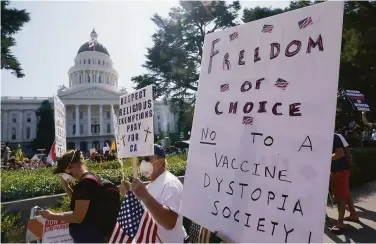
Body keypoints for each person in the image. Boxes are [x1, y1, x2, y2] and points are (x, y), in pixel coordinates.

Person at [40, 150, 114, 243]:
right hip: (93, 234)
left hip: (89, 236)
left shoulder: (85, 184)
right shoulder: (90, 178)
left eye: (64, 171)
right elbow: (79, 204)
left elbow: (77, 217)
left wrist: (51, 215)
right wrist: (66, 187)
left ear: (71, 166)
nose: (65, 174)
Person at [119, 144, 186, 243]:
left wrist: (145, 196)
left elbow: (169, 222)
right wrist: (130, 193)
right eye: (141, 159)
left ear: (161, 162)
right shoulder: (152, 184)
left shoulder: (170, 184)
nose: (143, 163)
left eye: (147, 159)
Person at [330, 134, 359, 233]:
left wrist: (324, 158)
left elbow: (340, 153)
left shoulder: (334, 136)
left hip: (340, 171)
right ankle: (353, 214)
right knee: (344, 193)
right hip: (340, 170)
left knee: (340, 196)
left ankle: (340, 222)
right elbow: (346, 151)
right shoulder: (335, 136)